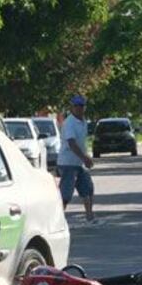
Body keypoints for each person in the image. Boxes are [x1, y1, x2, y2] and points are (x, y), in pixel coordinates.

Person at [57, 94, 97, 225]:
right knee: (66, 194)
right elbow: (72, 143)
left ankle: (90, 217)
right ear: (72, 108)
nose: (79, 108)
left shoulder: (83, 121)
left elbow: (81, 143)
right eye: (76, 106)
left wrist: (86, 156)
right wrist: (84, 158)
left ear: (85, 107)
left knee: (88, 189)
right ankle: (58, 221)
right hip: (67, 163)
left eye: (81, 106)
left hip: (79, 163)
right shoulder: (70, 123)